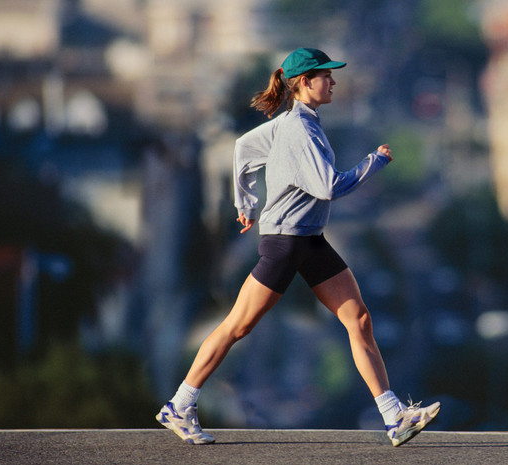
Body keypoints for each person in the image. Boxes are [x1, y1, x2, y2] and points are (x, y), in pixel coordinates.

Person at [156, 47, 440, 447]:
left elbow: (243, 148)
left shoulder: (295, 123)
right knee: (238, 325)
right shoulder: (298, 130)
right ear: (305, 82)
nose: (333, 81)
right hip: (287, 243)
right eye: (326, 75)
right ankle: (180, 405)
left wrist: (246, 204)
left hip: (310, 240)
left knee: (359, 320)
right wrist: (373, 163)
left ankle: (395, 418)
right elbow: (328, 186)